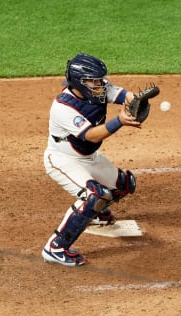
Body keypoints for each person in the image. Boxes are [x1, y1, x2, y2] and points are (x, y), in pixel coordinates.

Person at [41, 53, 141, 266]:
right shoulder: (63, 107)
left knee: (124, 185)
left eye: (100, 79)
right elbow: (91, 135)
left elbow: (124, 95)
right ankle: (55, 248)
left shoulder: (99, 89)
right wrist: (121, 121)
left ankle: (96, 214)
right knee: (94, 195)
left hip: (89, 157)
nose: (100, 84)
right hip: (62, 159)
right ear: (80, 82)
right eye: (93, 80)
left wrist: (138, 102)